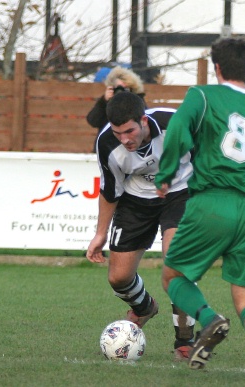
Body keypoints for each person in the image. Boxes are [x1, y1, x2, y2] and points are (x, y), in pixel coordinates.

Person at [156, 37, 245, 383]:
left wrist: (166, 173)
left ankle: (209, 319)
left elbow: (177, 131)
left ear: (216, 67)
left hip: (211, 200)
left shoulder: (202, 95)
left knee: (173, 275)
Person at [86, 91, 196, 361]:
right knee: (118, 278)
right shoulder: (106, 143)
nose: (124, 139)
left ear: (144, 121)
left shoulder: (175, 123)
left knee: (176, 265)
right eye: (117, 132)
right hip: (135, 201)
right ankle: (144, 307)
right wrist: (100, 234)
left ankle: (185, 339)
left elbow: (209, 155)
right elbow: (110, 190)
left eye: (129, 131)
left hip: (181, 194)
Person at [86, 66, 146, 152]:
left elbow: (145, 123)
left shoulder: (139, 102)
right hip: (108, 149)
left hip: (131, 149)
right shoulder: (106, 103)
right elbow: (92, 120)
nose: (121, 92)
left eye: (125, 89)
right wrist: (104, 101)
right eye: (118, 88)